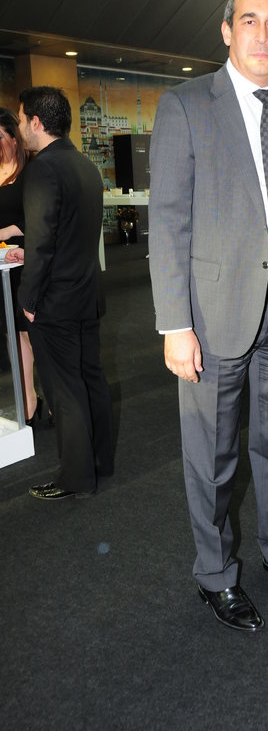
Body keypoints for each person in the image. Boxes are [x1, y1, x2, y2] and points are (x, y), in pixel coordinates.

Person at [148, 0, 268, 632]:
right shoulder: (187, 104)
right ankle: (216, 573)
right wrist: (175, 324)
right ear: (227, 31)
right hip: (213, 311)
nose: (262, 33)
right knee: (213, 455)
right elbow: (167, 218)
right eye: (248, 20)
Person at [15, 86, 113, 500]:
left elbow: (41, 244)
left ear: (37, 122)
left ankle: (76, 478)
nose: (20, 127)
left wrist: (28, 300)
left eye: (22, 120)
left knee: (65, 389)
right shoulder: (85, 165)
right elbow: (70, 234)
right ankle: (100, 462)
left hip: (55, 300)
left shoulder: (42, 170)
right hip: (86, 293)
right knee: (91, 380)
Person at [0, 107, 39, 423]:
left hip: (26, 261)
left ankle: (46, 398)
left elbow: (40, 219)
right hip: (2, 266)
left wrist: (8, 231)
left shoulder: (32, 171)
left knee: (31, 333)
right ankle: (27, 399)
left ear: (14, 137)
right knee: (12, 334)